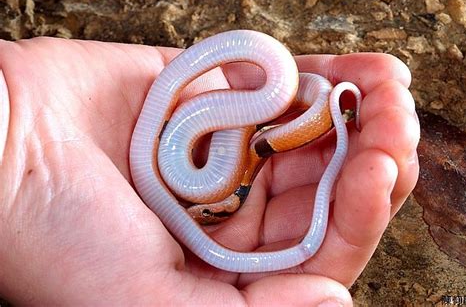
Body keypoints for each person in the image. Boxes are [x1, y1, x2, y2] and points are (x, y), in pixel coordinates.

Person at [0, 38, 419, 305]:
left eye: (203, 213)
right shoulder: (220, 174)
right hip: (240, 138)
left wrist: (16, 113)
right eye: (205, 215)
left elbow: (258, 147)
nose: (196, 213)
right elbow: (256, 148)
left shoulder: (224, 171)